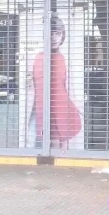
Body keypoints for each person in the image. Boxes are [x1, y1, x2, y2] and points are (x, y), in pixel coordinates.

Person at [31, 13, 82, 149]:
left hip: (63, 109)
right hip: (45, 109)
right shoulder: (37, 58)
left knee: (64, 144)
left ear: (62, 35)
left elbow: (70, 89)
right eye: (50, 34)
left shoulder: (64, 59)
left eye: (58, 33)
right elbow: (32, 89)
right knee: (52, 143)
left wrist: (83, 111)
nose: (54, 38)